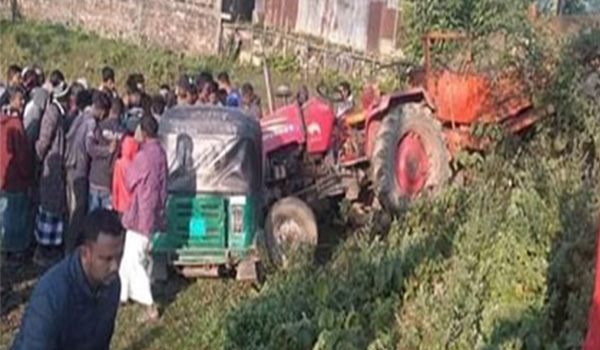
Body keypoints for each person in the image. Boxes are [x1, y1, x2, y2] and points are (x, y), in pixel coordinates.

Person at [11, 209, 125, 350]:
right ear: (85, 253)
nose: (115, 266)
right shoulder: (50, 297)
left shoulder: (111, 284)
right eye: (107, 259)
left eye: (118, 256)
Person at [120, 115, 166, 322]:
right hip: (154, 211)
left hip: (141, 214)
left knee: (135, 260)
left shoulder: (143, 157)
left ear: (144, 133)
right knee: (129, 256)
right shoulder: (160, 153)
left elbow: (129, 181)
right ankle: (122, 295)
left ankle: (150, 305)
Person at [64, 91, 112, 254]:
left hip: (71, 164)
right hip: (80, 168)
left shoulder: (81, 116)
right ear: (102, 110)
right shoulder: (91, 122)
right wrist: (108, 150)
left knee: (73, 208)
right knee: (79, 209)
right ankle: (71, 250)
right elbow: (90, 148)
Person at [34, 71, 70, 267]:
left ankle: (50, 248)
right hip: (51, 165)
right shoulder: (53, 113)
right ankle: (44, 250)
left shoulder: (58, 113)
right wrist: (38, 159)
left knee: (53, 207)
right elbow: (44, 140)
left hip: (56, 166)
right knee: (48, 208)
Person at [0, 87, 32, 264]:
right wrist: (27, 174)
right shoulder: (16, 125)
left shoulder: (3, 122)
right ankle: (16, 251)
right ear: (13, 100)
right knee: (17, 216)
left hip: (4, 176)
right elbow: (22, 156)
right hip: (16, 179)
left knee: (5, 215)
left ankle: (5, 248)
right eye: (20, 99)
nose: (23, 102)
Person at [88, 97, 122, 212]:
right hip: (110, 181)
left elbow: (91, 149)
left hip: (95, 178)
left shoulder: (99, 127)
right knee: (106, 220)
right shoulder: (124, 132)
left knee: (93, 218)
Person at [112, 135, 138, 216]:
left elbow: (115, 185)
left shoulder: (119, 164)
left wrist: (114, 202)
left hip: (121, 203)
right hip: (133, 205)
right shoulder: (136, 165)